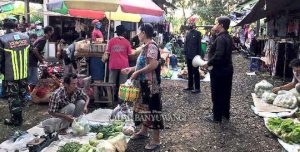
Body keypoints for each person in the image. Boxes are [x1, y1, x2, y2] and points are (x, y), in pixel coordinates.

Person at [121, 23, 163, 151]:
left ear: (144, 33)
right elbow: (142, 64)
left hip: (151, 86)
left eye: (139, 32)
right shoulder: (145, 47)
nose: (138, 34)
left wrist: (137, 72)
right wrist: (131, 69)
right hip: (143, 84)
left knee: (153, 110)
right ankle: (144, 131)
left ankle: (156, 140)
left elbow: (153, 65)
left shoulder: (152, 47)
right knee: (142, 108)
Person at [202, 16, 233, 123]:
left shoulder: (220, 38)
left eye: (216, 23)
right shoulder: (228, 37)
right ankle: (225, 114)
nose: (214, 25)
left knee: (217, 93)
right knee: (225, 92)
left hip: (219, 71)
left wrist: (208, 63)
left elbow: (218, 55)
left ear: (221, 25)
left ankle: (216, 117)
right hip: (227, 69)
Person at [0, 16, 30, 126]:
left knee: (13, 98)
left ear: (4, 26)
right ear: (16, 25)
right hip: (24, 73)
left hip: (10, 74)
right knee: (22, 95)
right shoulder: (26, 37)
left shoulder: (2, 39)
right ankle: (20, 116)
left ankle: (16, 120)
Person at [104, 25, 132, 101]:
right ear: (124, 33)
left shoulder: (111, 41)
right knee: (122, 84)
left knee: (111, 83)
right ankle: (121, 100)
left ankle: (110, 99)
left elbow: (107, 53)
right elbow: (130, 54)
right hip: (124, 65)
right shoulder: (127, 42)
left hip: (113, 64)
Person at [28, 26, 54, 91]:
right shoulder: (43, 39)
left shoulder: (41, 38)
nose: (53, 32)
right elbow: (35, 50)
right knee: (33, 79)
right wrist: (42, 61)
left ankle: (30, 93)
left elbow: (37, 51)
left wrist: (42, 59)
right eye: (52, 31)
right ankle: (31, 94)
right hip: (32, 61)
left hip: (31, 59)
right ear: (49, 32)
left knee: (32, 78)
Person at [183, 22, 202, 93]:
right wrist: (185, 53)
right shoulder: (187, 33)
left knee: (196, 72)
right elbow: (185, 44)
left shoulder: (198, 33)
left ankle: (197, 88)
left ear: (194, 26)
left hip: (195, 56)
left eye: (192, 24)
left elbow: (199, 46)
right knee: (190, 71)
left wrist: (199, 56)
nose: (191, 25)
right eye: (190, 24)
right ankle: (190, 86)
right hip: (188, 55)